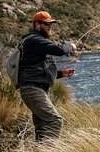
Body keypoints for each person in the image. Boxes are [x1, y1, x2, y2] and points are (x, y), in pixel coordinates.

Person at [17, 11, 78, 141]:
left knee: (42, 128)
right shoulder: (34, 40)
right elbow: (59, 50)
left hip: (36, 89)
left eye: (51, 24)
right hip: (32, 90)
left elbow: (40, 70)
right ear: (37, 25)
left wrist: (61, 74)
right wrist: (70, 46)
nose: (50, 26)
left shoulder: (39, 42)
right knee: (55, 121)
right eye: (47, 24)